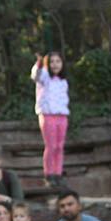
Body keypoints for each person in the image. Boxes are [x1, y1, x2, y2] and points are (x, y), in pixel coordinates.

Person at [32, 52, 70, 188]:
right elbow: (35, 75)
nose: (55, 64)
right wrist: (39, 65)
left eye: (58, 61)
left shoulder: (63, 81)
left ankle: (58, 174)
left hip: (62, 116)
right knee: (51, 146)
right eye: (52, 61)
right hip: (48, 116)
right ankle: (49, 175)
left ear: (62, 64)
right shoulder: (44, 78)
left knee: (59, 146)